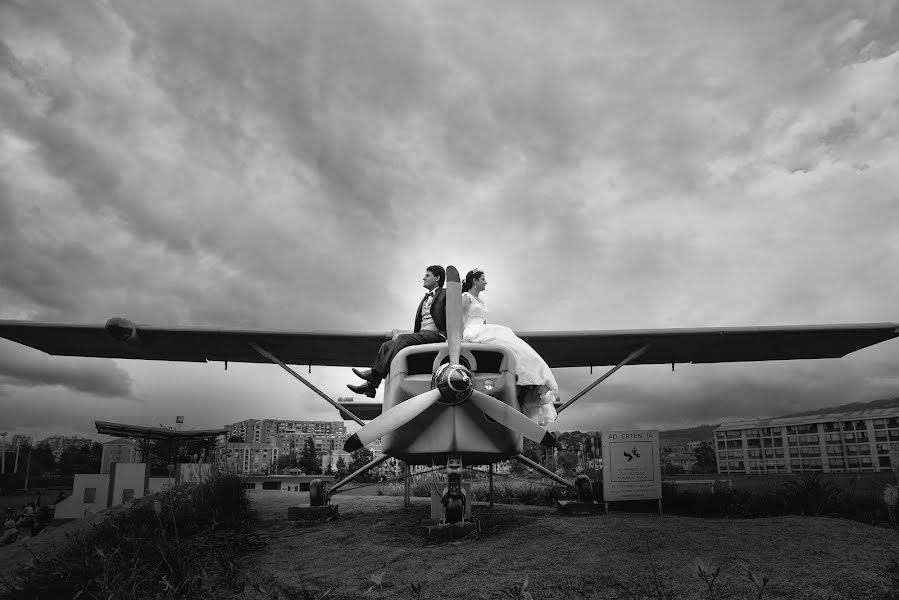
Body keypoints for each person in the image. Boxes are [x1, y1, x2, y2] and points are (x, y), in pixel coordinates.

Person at [460, 268, 559, 426]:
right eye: (483, 279)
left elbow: (483, 322)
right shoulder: (465, 297)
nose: (486, 282)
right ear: (475, 281)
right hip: (470, 330)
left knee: (510, 341)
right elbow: (461, 318)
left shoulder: (481, 302)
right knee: (505, 335)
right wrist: (460, 338)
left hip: (481, 329)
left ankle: (525, 379)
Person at [348, 265, 448, 397]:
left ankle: (374, 375)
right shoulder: (425, 298)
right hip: (422, 334)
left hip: (436, 334)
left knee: (402, 339)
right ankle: (371, 387)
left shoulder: (446, 293)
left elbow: (453, 312)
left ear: (437, 278)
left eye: (427, 275)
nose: (423, 278)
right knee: (386, 345)